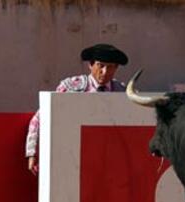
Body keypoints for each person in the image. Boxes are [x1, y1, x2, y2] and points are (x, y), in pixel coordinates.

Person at [25, 43, 129, 175]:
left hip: (109, 159)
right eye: (100, 65)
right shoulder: (73, 86)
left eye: (110, 67)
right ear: (90, 65)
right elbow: (40, 118)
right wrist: (32, 152)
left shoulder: (122, 92)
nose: (105, 72)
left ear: (116, 68)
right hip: (73, 154)